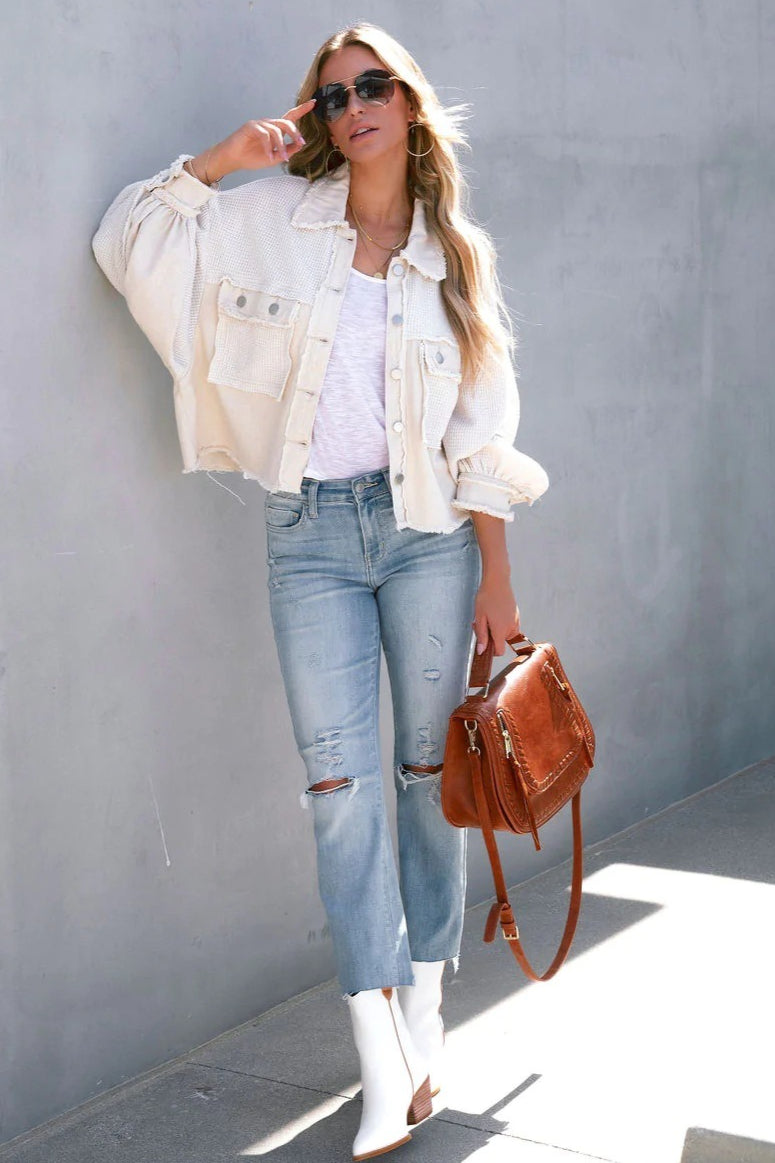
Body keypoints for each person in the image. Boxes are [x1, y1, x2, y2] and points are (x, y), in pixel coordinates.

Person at [91, 21, 549, 1161]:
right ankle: (378, 1055)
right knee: (339, 788)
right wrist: (221, 159)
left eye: (372, 85)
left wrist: (497, 574)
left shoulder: (456, 253)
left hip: (429, 537)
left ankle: (424, 1008)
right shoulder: (272, 221)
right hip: (307, 536)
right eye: (334, 94)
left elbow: (480, 428)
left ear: (408, 102)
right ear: (321, 118)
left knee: (429, 778)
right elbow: (128, 244)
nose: (354, 106)